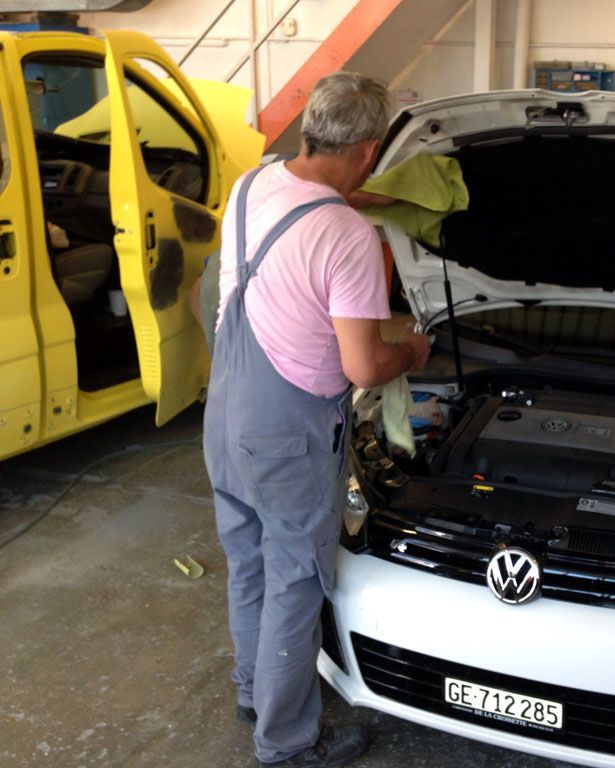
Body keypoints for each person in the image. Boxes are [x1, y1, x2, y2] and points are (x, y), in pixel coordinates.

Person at [203, 72, 430, 768]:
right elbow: (364, 367)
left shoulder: (251, 186)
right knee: (295, 581)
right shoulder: (348, 236)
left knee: (248, 563)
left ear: (309, 129)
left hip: (225, 414)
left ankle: (255, 691)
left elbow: (311, 206)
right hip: (288, 435)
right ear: (368, 151)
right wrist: (410, 350)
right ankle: (287, 742)